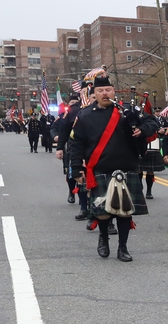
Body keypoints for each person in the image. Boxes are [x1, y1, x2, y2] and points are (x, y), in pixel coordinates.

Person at [67, 75, 157, 262]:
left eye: (108, 90)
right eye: (100, 91)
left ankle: (122, 247)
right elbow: (76, 144)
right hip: (100, 168)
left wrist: (143, 130)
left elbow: (153, 122)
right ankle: (104, 239)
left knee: (124, 211)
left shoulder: (128, 111)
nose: (105, 93)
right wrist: (76, 168)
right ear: (95, 94)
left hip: (126, 167)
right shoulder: (84, 115)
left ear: (114, 91)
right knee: (103, 212)